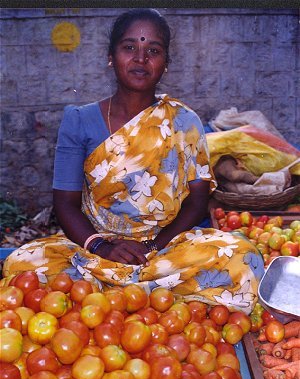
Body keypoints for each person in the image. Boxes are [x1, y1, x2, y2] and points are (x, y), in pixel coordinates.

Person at [3, 8, 264, 314]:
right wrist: (103, 247)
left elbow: (197, 202)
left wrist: (153, 247)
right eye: (130, 48)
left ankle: (113, 295)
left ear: (165, 63)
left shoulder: (184, 122)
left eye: (153, 50)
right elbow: (65, 203)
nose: (141, 59)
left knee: (242, 256)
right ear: (110, 56)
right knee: (21, 265)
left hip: (163, 249)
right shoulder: (79, 120)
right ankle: (151, 295)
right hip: (93, 248)